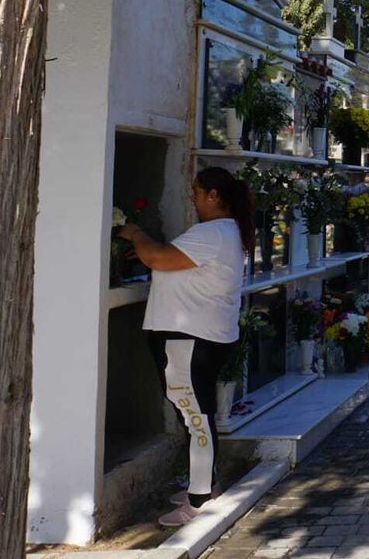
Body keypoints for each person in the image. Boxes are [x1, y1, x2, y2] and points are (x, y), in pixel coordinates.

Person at [116, 166, 250, 527]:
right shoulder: (226, 232)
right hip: (197, 337)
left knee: (196, 419)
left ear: (214, 196)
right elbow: (173, 261)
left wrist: (135, 233)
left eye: (196, 191)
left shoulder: (213, 232)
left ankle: (200, 500)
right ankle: (205, 484)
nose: (191, 197)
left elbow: (158, 258)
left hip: (187, 339)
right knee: (195, 416)